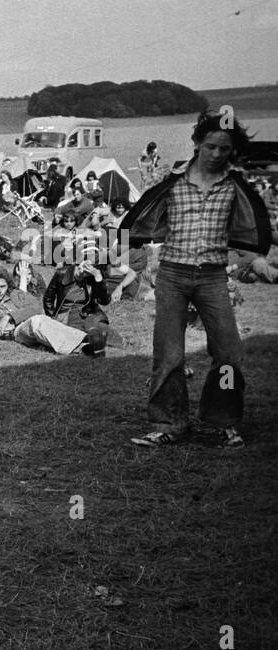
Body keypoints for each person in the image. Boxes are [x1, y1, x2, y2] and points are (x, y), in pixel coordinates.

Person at [123, 111, 272, 448]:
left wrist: (258, 253)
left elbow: (251, 227)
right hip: (172, 276)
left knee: (229, 353)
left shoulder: (234, 186)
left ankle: (222, 421)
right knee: (169, 355)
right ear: (197, 144)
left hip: (213, 278)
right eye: (211, 146)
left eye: (224, 148)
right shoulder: (173, 181)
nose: (217, 154)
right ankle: (169, 423)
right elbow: (144, 214)